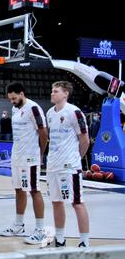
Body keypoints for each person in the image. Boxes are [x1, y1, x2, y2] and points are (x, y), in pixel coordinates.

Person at [1, 82, 50, 245]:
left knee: (34, 190)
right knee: (19, 190)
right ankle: (19, 225)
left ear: (21, 94)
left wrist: (40, 153)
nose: (12, 101)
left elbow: (43, 133)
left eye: (14, 98)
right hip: (17, 156)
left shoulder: (33, 108)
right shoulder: (15, 109)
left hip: (31, 157)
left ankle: (40, 230)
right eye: (10, 99)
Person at [46, 81, 90, 247]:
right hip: (52, 166)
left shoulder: (74, 112)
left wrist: (76, 158)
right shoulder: (50, 113)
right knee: (56, 202)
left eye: (55, 91)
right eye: (52, 90)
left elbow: (84, 140)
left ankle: (85, 241)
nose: (52, 93)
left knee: (77, 203)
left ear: (65, 94)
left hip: (69, 167)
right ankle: (59, 238)